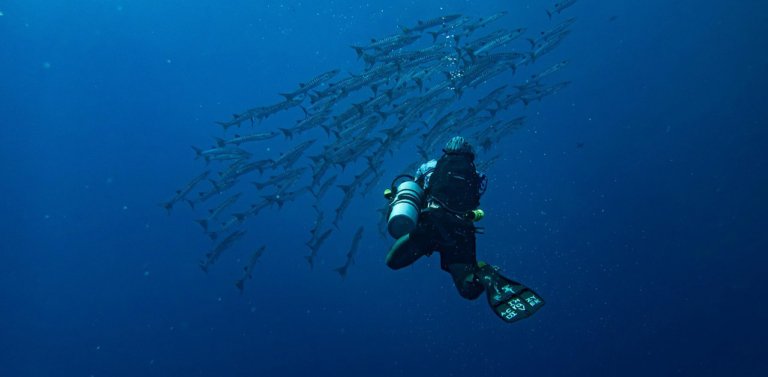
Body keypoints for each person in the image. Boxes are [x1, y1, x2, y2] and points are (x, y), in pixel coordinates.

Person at [384, 136, 545, 323]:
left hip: (432, 224)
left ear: (446, 150)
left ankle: (480, 272)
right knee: (467, 289)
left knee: (392, 261)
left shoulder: (429, 167)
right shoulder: (477, 175)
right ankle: (485, 274)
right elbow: (474, 201)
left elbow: (416, 194)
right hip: (461, 230)